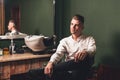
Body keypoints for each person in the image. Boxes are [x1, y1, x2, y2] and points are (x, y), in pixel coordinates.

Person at [28, 14, 96, 80]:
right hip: (68, 71)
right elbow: (58, 53)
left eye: (76, 25)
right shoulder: (65, 41)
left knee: (84, 59)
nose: (73, 27)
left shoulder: (89, 39)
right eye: (71, 24)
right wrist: (50, 63)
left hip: (82, 71)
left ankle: (42, 71)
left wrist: (85, 52)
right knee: (49, 74)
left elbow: (93, 49)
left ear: (82, 27)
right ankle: (47, 70)